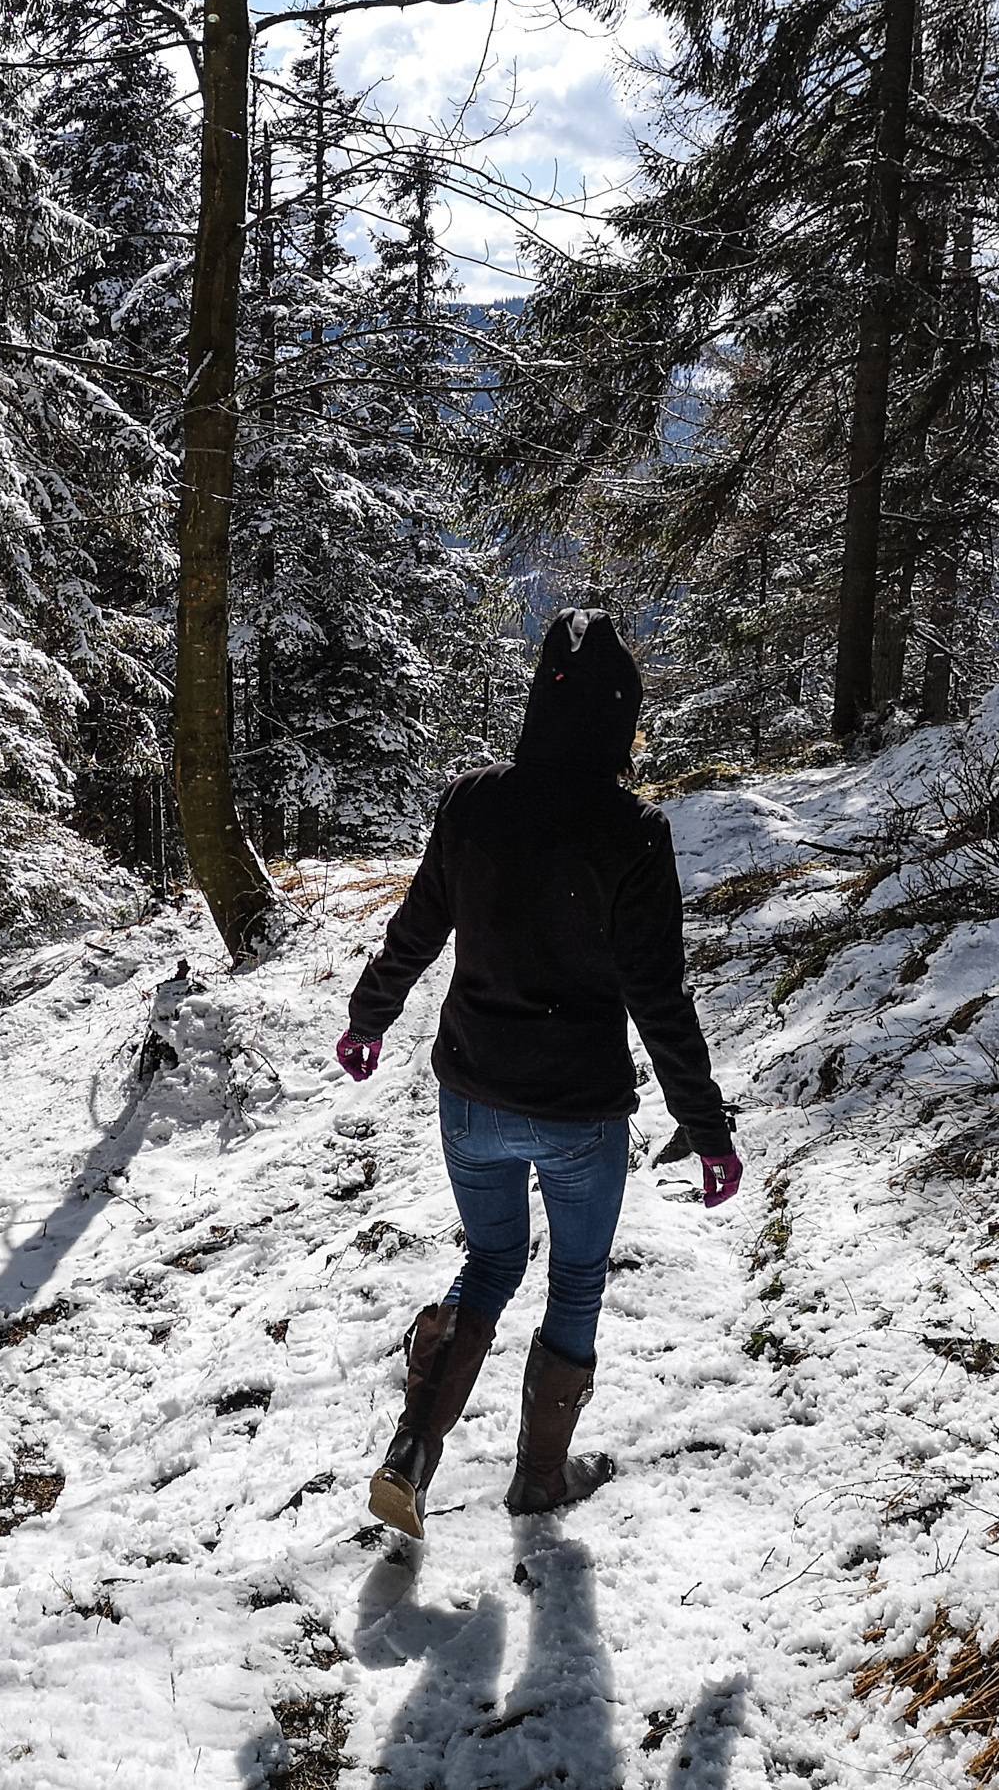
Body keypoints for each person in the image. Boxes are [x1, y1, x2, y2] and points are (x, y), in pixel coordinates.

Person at [334, 608, 743, 1538]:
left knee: (489, 1260)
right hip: (577, 1110)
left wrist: (369, 1019)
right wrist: (708, 1129)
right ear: (618, 715)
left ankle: (412, 1449)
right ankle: (540, 1479)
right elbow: (658, 994)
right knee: (576, 1281)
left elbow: (419, 925)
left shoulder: (473, 802)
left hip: (472, 1092)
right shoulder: (633, 831)